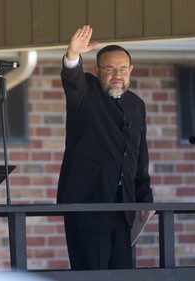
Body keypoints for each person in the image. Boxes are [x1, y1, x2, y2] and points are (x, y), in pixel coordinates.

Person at [57, 25, 154, 270]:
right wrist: (72, 56)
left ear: (130, 70)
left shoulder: (136, 104)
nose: (117, 74)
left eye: (122, 69)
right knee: (93, 273)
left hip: (124, 207)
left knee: (123, 273)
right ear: (97, 70)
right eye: (110, 69)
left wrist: (144, 197)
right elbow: (73, 80)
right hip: (88, 204)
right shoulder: (87, 93)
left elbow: (139, 156)